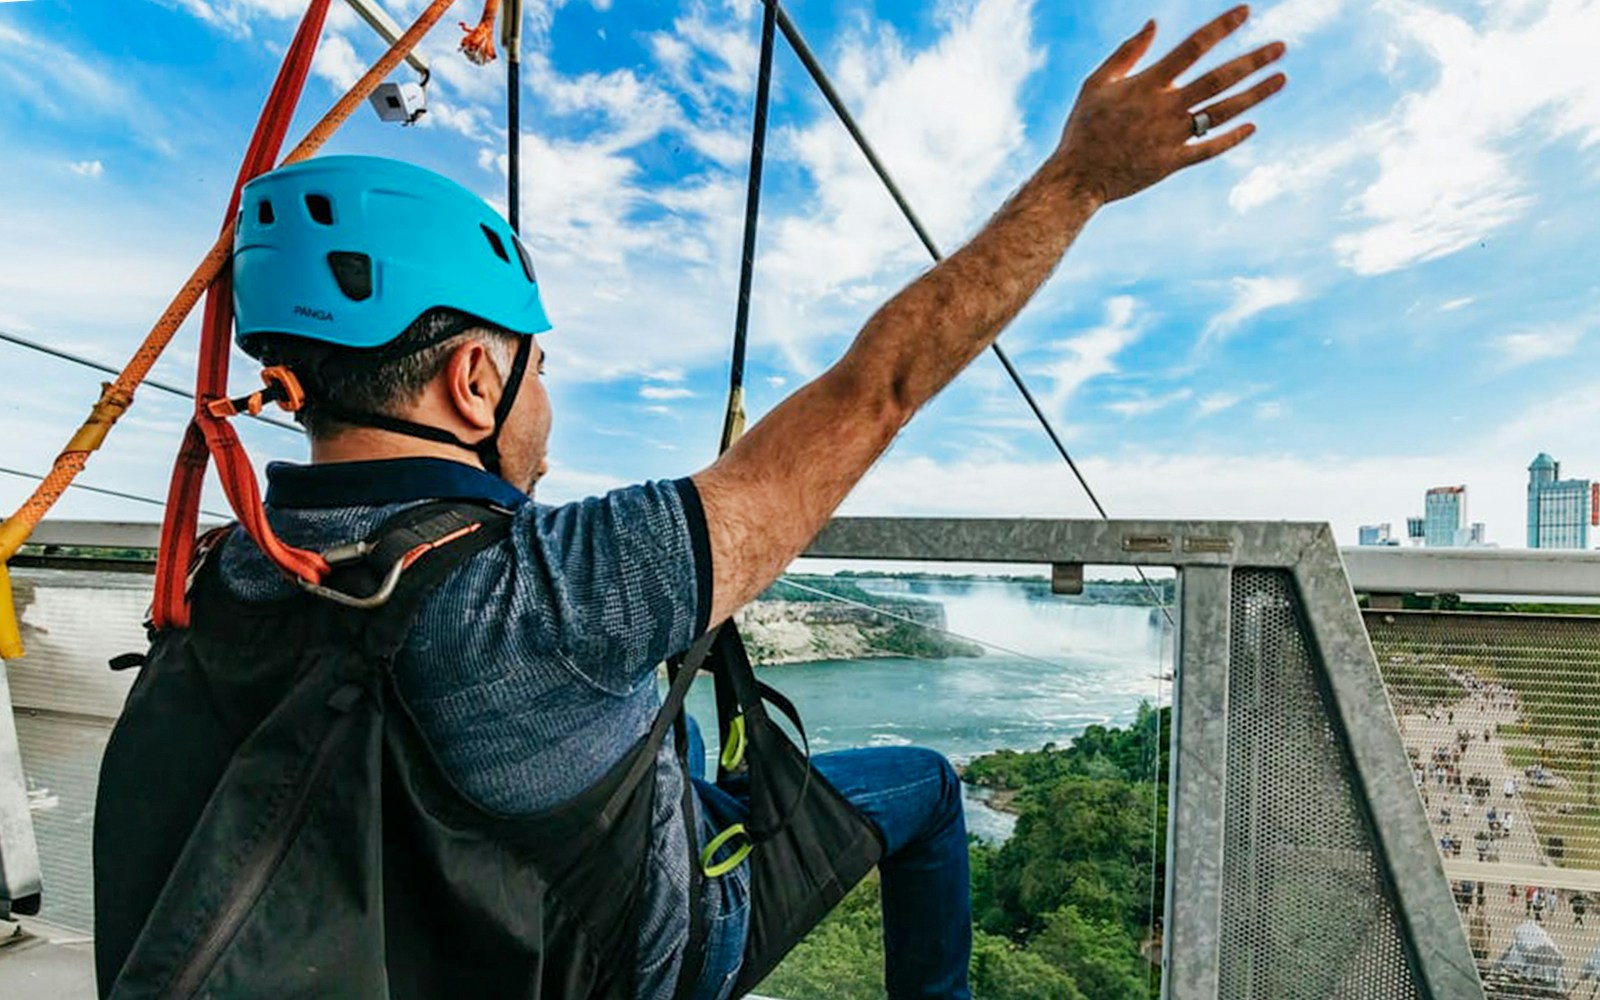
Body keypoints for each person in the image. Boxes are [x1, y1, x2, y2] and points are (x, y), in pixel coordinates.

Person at [93, 7, 1286, 999]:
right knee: (926, 788)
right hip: (644, 946)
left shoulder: (230, 573)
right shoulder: (550, 593)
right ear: (472, 379)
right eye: (536, 370)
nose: (544, 406)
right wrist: (1077, 180)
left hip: (459, 906)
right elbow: (879, 388)